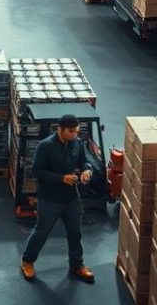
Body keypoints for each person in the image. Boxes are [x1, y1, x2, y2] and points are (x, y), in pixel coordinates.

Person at [21, 114, 95, 284]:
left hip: (71, 198)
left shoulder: (76, 143)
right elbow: (37, 171)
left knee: (75, 233)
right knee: (42, 232)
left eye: (76, 131)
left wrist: (87, 171)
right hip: (49, 200)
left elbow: (85, 161)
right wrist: (61, 178)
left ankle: (77, 265)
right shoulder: (45, 146)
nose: (75, 134)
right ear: (60, 129)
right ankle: (27, 261)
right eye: (71, 131)